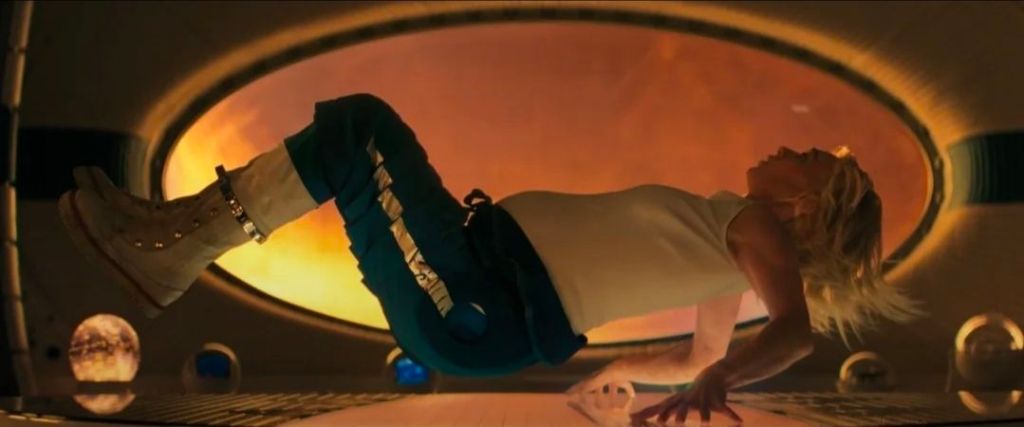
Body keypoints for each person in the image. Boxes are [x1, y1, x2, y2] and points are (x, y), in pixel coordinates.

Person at [58, 93, 923, 425]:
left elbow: (793, 332)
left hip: (479, 298)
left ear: (810, 205)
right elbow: (697, 350)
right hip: (475, 282)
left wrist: (723, 376)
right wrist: (620, 372)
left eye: (810, 159)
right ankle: (171, 230)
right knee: (355, 144)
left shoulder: (757, 228)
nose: (791, 148)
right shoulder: (728, 246)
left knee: (361, 129)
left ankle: (170, 246)